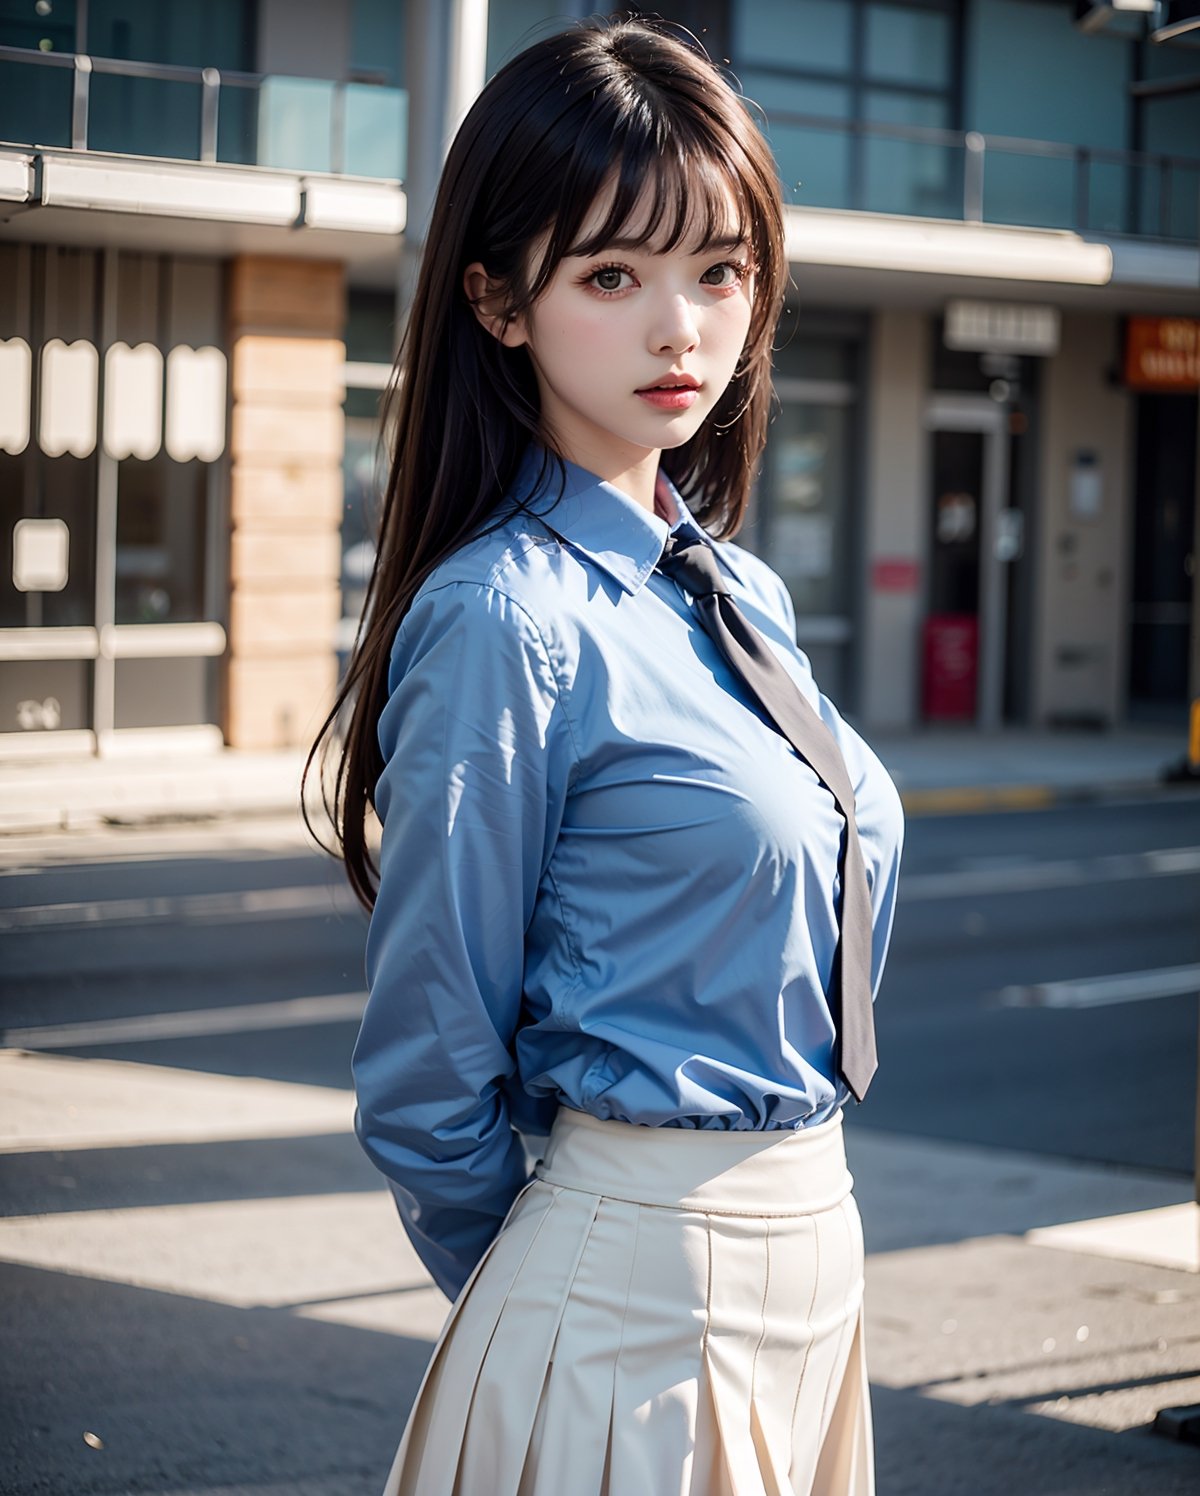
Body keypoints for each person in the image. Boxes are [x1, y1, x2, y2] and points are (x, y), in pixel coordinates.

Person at [307, 16, 904, 1496]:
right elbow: (427, 1069)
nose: (681, 330)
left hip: (812, 1263)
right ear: (501, 303)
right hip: (630, 1301)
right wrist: (555, 1300)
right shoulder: (506, 618)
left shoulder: (736, 591)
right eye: (612, 276)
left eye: (720, 270)